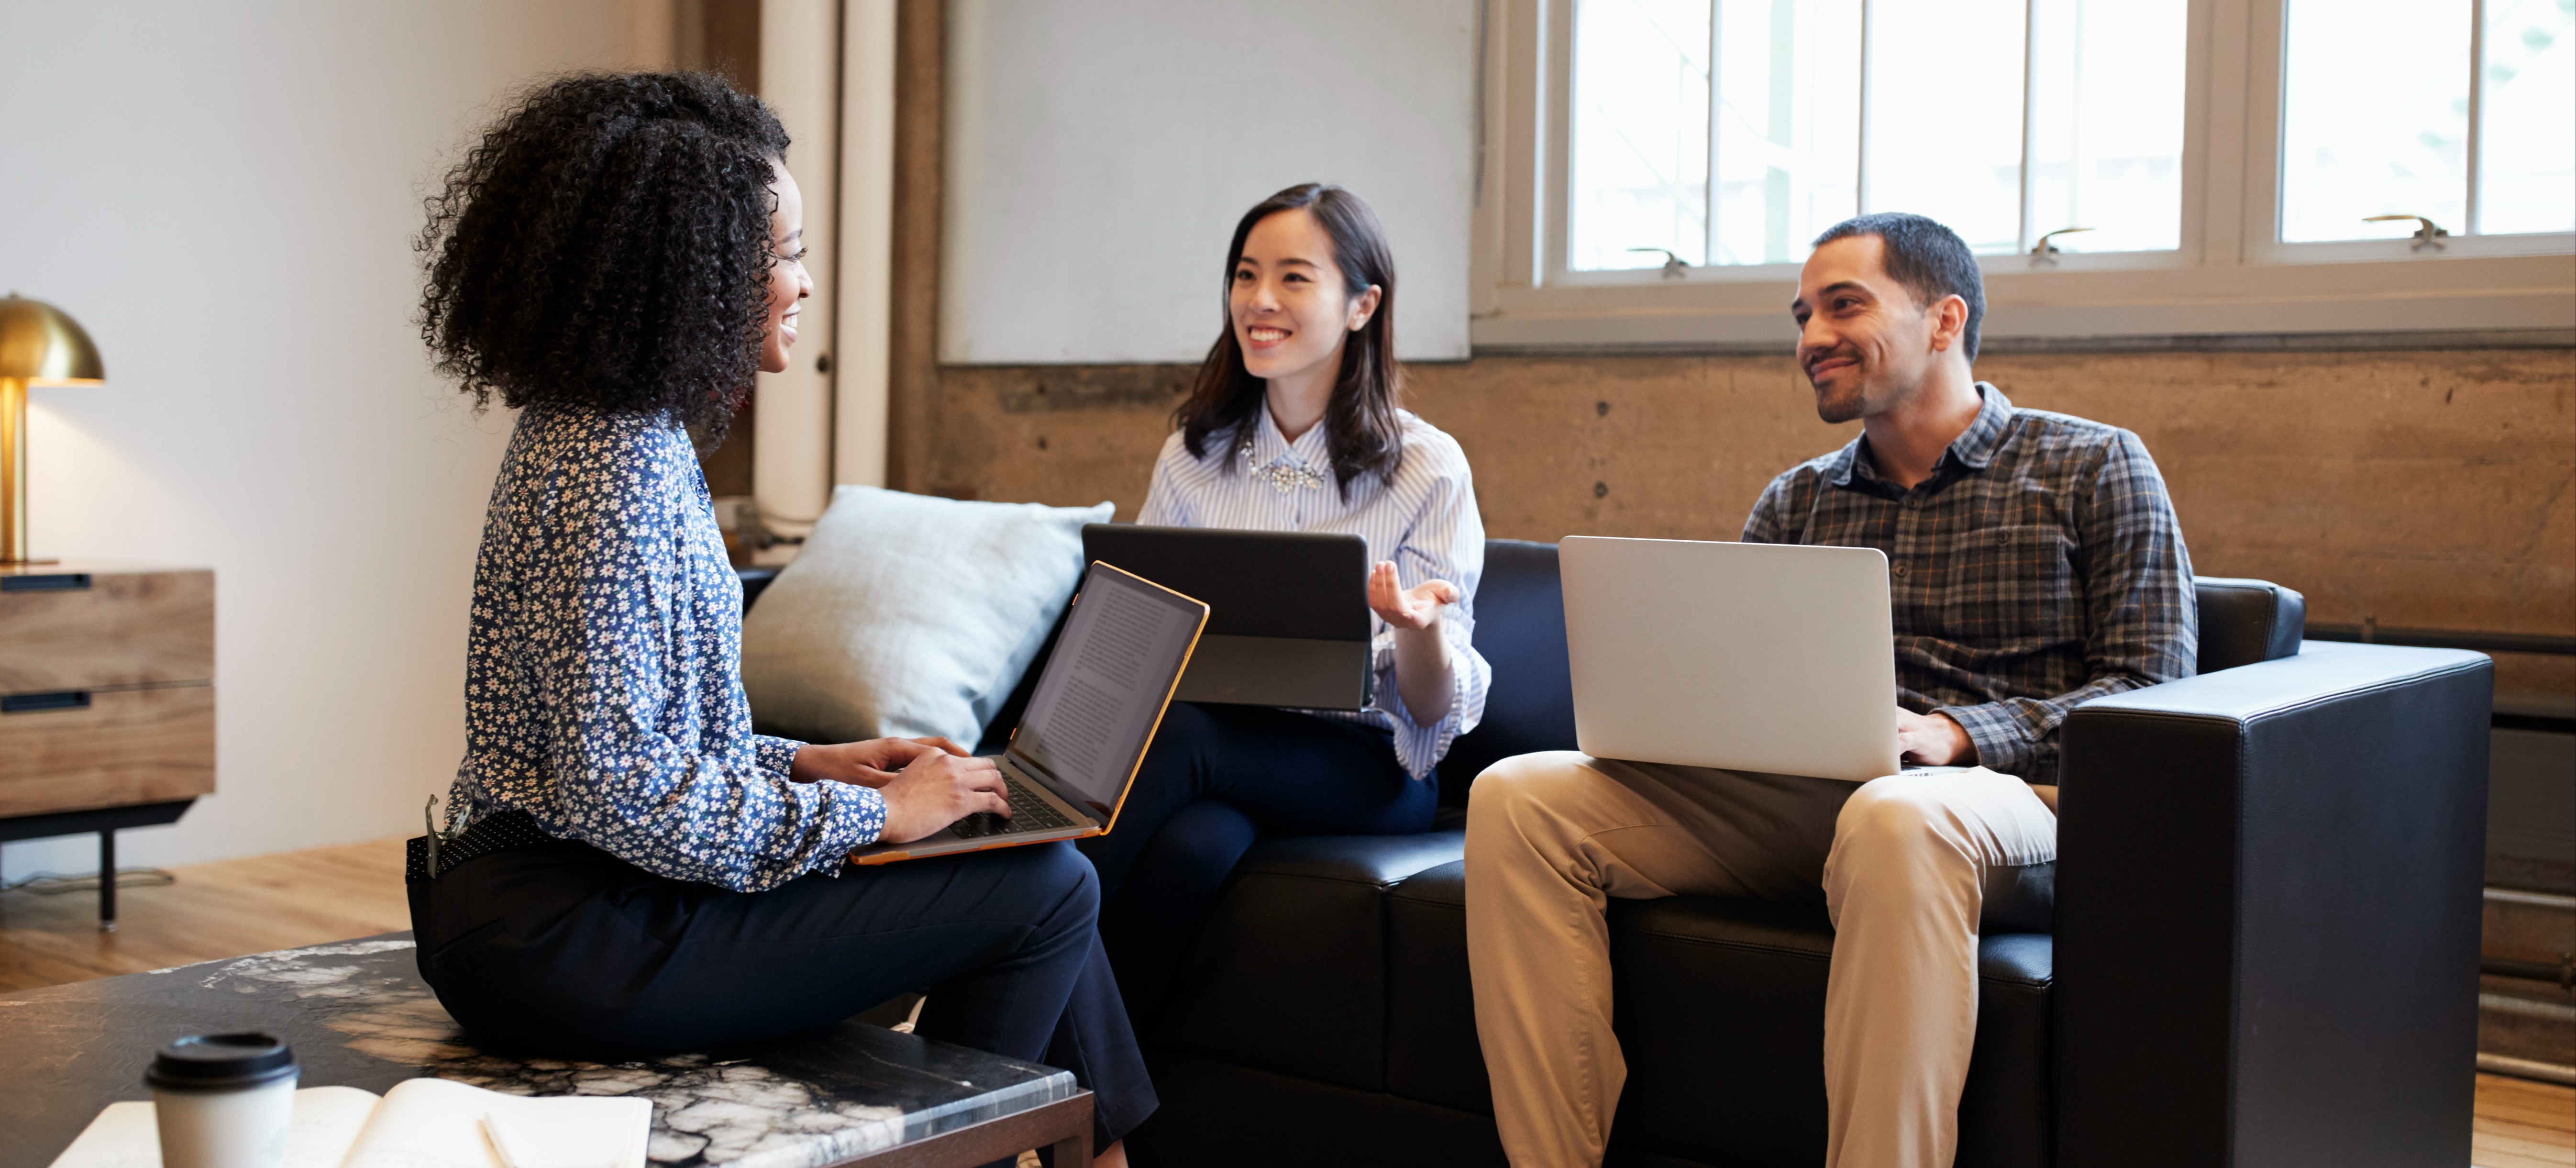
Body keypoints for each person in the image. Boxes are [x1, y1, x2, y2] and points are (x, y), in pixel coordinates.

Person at [406, 72, 1149, 1164]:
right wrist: (875, 820)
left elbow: (637, 749)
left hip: (564, 907)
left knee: (1035, 862)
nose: (803, 283)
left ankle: (1100, 1153)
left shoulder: (621, 435)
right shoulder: (614, 468)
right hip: (561, 939)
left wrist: (810, 765)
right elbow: (617, 791)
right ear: (691, 274)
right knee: (1044, 889)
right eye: (786, 252)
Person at [1464, 213, 2196, 1168]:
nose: (1810, 338)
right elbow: (1733, 686)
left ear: (1944, 321)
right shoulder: (1796, 500)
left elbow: (2150, 692)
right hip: (1827, 806)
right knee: (1519, 797)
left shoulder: (2093, 466)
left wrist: (1955, 734)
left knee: (1896, 820)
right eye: (1802, 315)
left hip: (2016, 812)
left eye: (1842, 306)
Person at [1077, 184, 1491, 1008]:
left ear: (1362, 305)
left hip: (1371, 770)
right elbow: (1145, 632)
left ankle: (971, 991)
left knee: (1187, 736)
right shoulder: (1192, 457)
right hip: (1228, 756)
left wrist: (1417, 633)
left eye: (1294, 278)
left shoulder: (1427, 466)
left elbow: (1433, 710)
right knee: (1193, 849)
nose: (1259, 301)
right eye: (1245, 275)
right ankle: (1092, 1110)